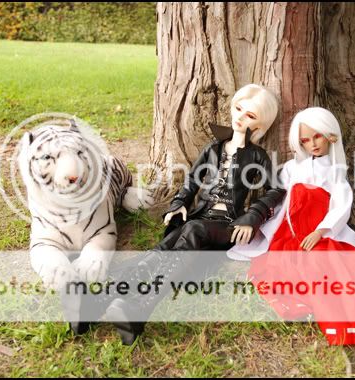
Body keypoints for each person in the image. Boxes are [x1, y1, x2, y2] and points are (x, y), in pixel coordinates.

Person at [68, 84, 287, 344]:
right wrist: (179, 203)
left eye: (250, 115)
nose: (240, 116)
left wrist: (254, 215)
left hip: (227, 225)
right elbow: (192, 180)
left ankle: (140, 306)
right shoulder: (214, 148)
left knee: (190, 231)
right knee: (163, 247)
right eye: (239, 109)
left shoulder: (257, 155)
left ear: (260, 125)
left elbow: (276, 189)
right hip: (199, 218)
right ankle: (97, 305)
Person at [228, 107, 355, 345]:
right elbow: (281, 196)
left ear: (330, 136)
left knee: (327, 265)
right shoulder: (292, 168)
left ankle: (352, 317)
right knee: (284, 262)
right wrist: (264, 219)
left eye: (318, 136)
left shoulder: (334, 172)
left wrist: (321, 230)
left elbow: (341, 205)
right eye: (305, 140)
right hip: (291, 230)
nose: (312, 144)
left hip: (319, 229)